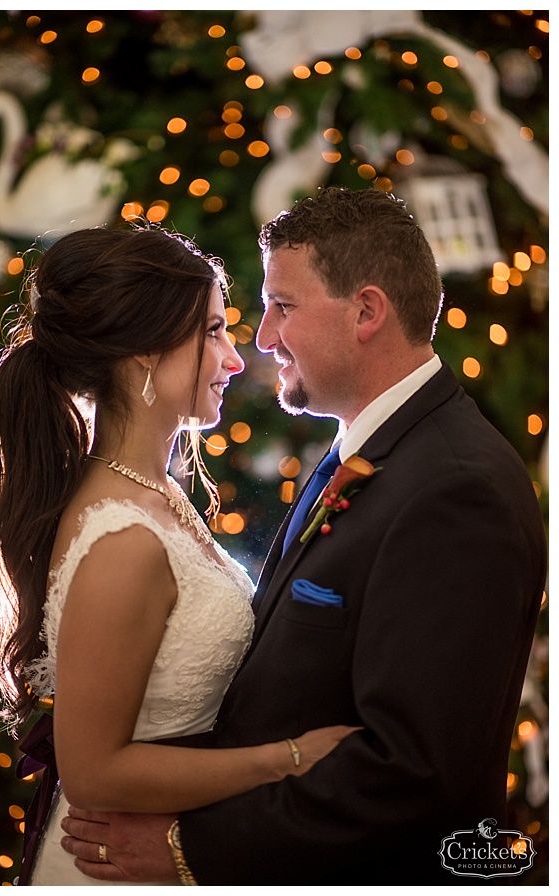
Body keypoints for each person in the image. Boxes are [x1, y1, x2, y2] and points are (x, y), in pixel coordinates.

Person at [58, 188, 547, 883]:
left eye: (282, 307)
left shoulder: (456, 488)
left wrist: (191, 849)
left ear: (368, 311)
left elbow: (413, 774)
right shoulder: (360, 450)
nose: (260, 340)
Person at [0, 225, 357, 885]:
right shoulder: (122, 538)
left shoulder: (157, 493)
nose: (235, 359)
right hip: (117, 865)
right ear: (145, 352)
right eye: (212, 332)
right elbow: (93, 770)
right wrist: (289, 758)